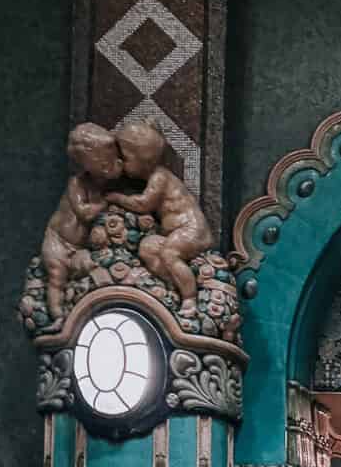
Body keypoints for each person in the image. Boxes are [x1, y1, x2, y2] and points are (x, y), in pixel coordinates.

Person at [103, 119, 213, 313]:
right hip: (177, 233)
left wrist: (116, 197)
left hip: (192, 230)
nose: (122, 163)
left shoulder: (159, 177)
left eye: (126, 158)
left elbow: (143, 204)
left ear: (141, 159)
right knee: (147, 247)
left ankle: (190, 298)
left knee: (169, 254)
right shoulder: (155, 176)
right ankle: (174, 285)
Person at [39, 123, 122, 318]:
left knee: (92, 268)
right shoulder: (76, 183)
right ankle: (57, 315)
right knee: (56, 277)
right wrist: (106, 203)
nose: (108, 168)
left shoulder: (102, 183)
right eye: (103, 164)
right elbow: (84, 213)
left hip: (79, 248)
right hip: (58, 241)